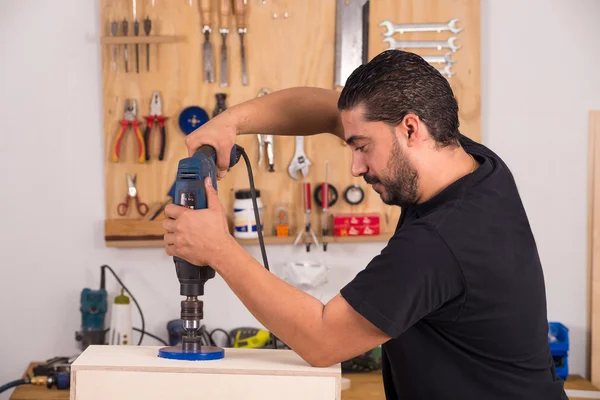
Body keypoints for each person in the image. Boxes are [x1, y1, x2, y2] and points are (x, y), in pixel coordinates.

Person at [162, 50, 567, 399]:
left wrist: (218, 249)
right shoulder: (471, 162)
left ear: (411, 127)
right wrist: (230, 123)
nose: (355, 167)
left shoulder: (439, 243)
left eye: (361, 147)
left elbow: (322, 340)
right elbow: (328, 108)